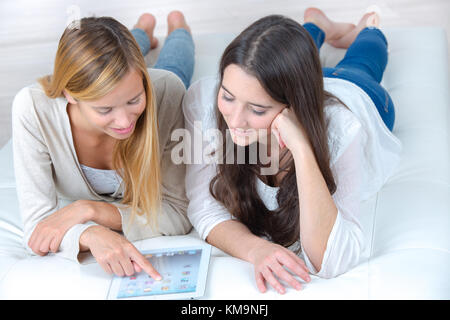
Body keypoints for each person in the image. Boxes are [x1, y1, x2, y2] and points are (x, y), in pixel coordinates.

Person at [183, 8, 402, 294]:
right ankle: (315, 25)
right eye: (227, 96)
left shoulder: (343, 128)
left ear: (292, 108)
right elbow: (203, 205)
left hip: (358, 91)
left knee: (362, 61)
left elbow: (331, 259)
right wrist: (255, 249)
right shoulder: (203, 101)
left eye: (258, 110)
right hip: (286, 80)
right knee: (283, 59)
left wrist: (301, 148)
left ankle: (370, 28)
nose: (235, 121)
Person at [12, 11, 194, 279]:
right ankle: (142, 29)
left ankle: (178, 26)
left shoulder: (164, 90)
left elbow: (177, 212)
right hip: (117, 80)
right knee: (118, 70)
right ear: (70, 94)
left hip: (158, 80)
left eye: (134, 101)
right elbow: (39, 227)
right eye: (105, 109)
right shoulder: (33, 110)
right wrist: (89, 233)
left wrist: (89, 209)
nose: (124, 121)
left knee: (172, 68)